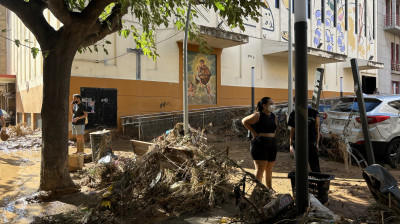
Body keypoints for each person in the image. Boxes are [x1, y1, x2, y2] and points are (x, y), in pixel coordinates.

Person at [242, 97, 277, 189]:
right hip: (260, 143)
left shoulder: (273, 116)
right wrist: (253, 132)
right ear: (264, 105)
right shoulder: (258, 115)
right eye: (271, 104)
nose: (273, 105)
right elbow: (244, 121)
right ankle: (257, 191)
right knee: (260, 168)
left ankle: (269, 189)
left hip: (272, 143)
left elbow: (274, 128)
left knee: (269, 167)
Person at [287, 97, 321, 173]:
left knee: (314, 166)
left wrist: (317, 144)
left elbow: (317, 128)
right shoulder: (293, 114)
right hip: (299, 143)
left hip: (311, 142)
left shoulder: (314, 113)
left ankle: (313, 180)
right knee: (302, 165)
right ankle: (303, 181)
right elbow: (292, 130)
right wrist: (291, 145)